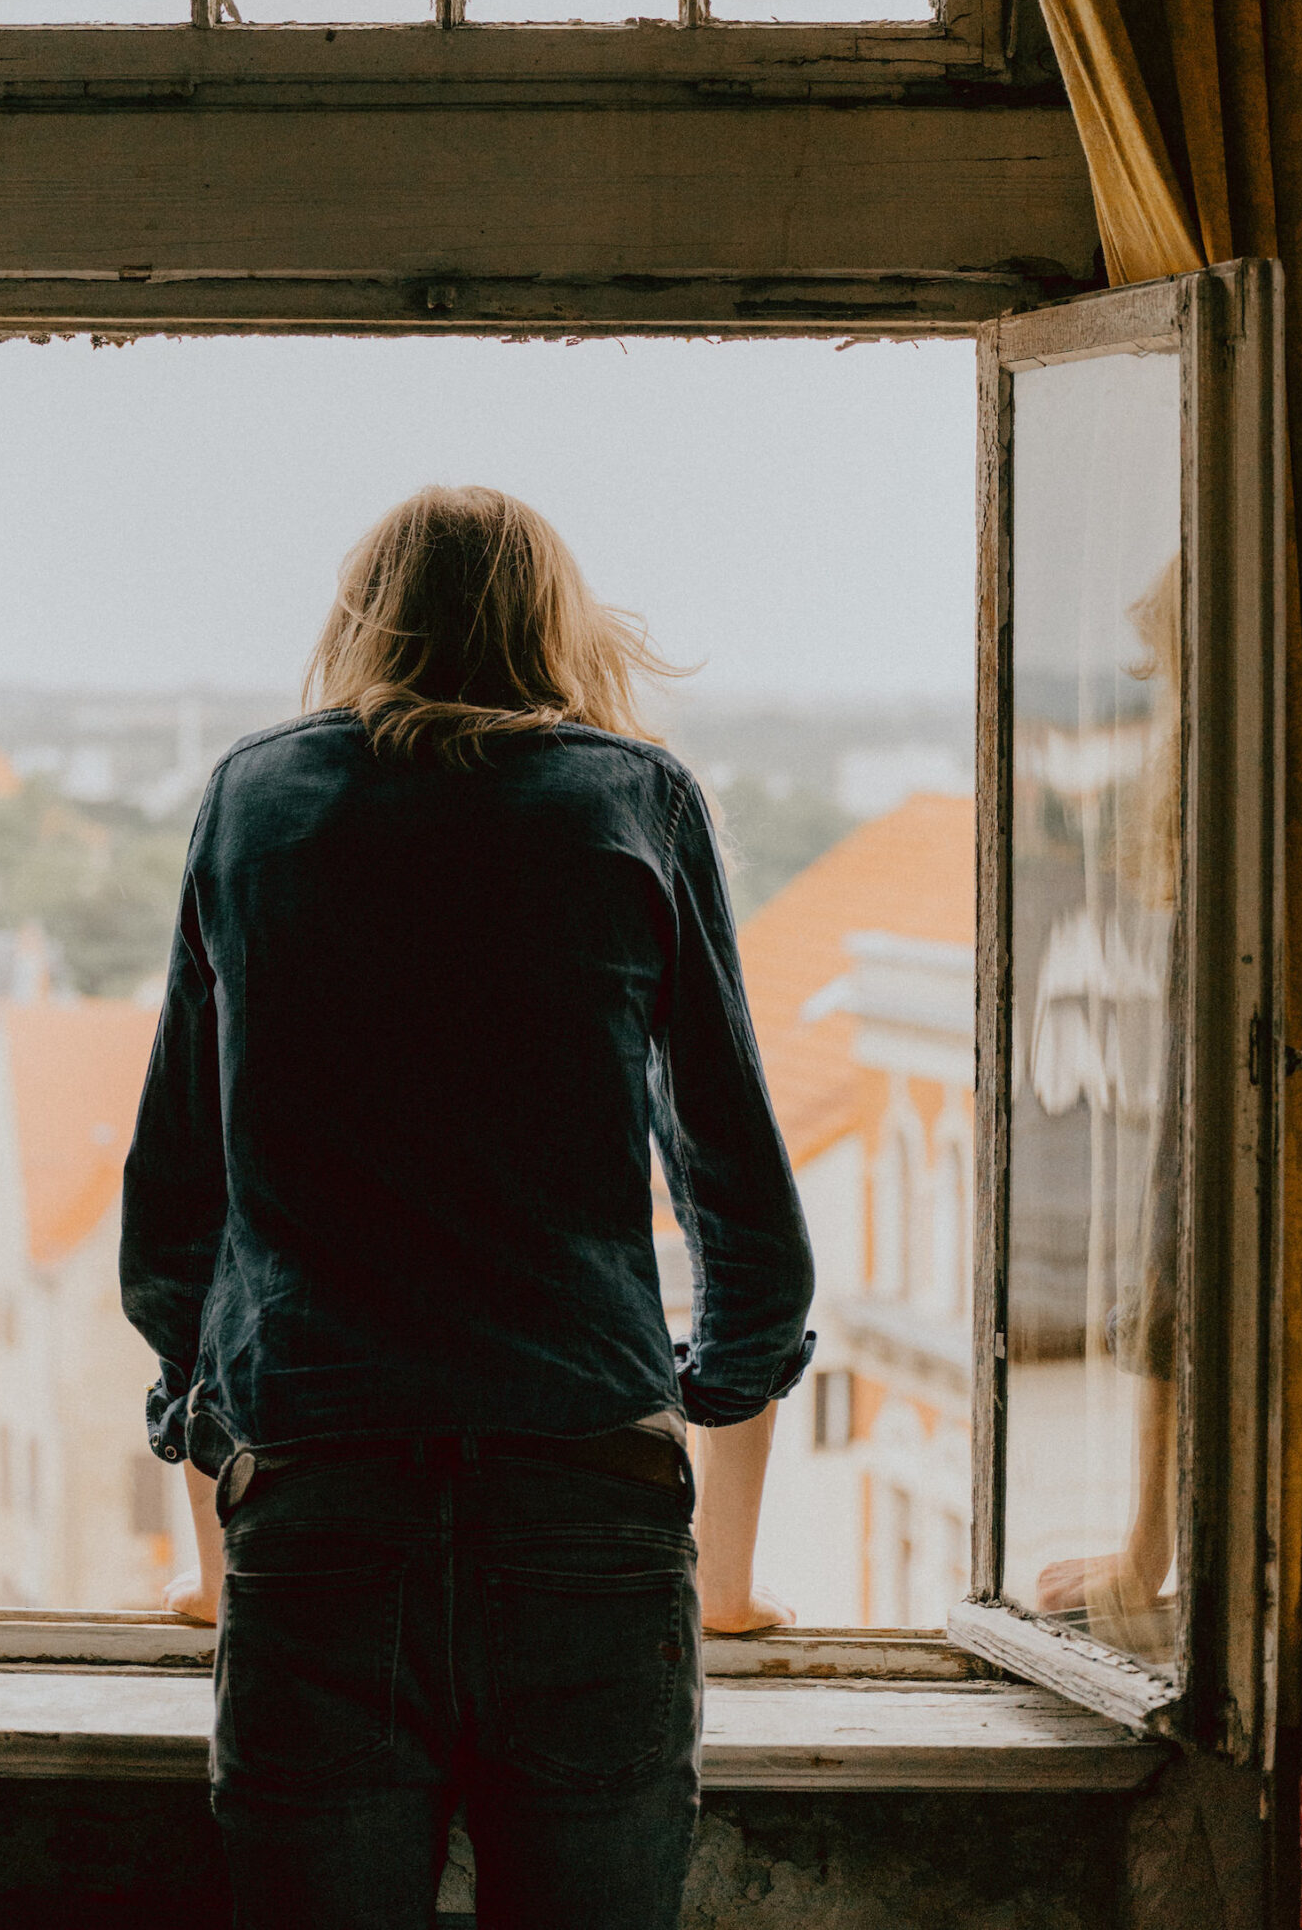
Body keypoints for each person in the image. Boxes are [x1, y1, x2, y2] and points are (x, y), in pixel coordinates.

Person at [120, 486, 814, 1930]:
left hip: (322, 1505)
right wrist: (692, 1423)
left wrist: (214, 1457)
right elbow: (741, 1205)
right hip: (587, 1510)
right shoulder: (634, 801)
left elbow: (176, 1198)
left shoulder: (253, 799)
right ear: (555, 624)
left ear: (362, 619)